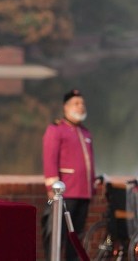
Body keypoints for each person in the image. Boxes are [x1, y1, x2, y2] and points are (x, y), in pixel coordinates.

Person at [43, 89, 96, 261]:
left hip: (83, 193)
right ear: (66, 108)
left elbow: (89, 165)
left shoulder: (85, 132)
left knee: (76, 237)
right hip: (66, 193)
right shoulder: (57, 129)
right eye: (76, 103)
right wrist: (52, 188)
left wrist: (93, 188)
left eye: (82, 103)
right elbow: (50, 160)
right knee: (58, 237)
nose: (81, 107)